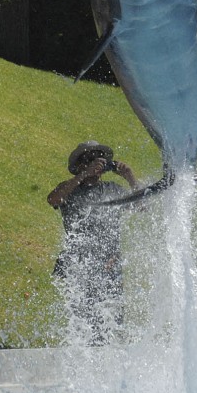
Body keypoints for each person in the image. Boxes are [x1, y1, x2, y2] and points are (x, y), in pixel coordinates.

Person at [47, 141, 138, 344]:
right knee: (85, 318)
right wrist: (82, 176)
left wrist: (130, 176)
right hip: (81, 265)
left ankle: (110, 359)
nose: (96, 164)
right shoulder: (70, 189)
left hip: (110, 265)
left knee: (112, 318)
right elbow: (53, 199)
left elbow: (141, 206)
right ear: (79, 166)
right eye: (89, 160)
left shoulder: (113, 188)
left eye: (100, 159)